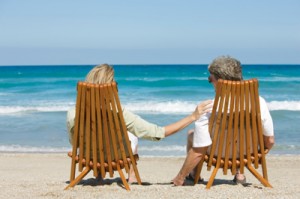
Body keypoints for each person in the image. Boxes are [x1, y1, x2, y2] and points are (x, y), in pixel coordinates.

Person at [66, 63, 212, 183]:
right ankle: (132, 175)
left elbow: (75, 143)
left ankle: (99, 175)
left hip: (89, 157)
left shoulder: (72, 113)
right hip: (116, 158)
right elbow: (157, 133)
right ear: (111, 87)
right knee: (131, 135)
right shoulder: (118, 113)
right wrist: (192, 117)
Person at [172, 56, 275, 186]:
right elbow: (270, 141)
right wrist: (258, 155)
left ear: (219, 81)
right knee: (240, 134)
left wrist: (180, 177)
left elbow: (199, 149)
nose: (210, 83)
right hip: (248, 153)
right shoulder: (259, 102)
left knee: (191, 135)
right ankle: (240, 173)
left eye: (210, 79)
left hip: (218, 154)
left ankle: (193, 174)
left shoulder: (210, 107)